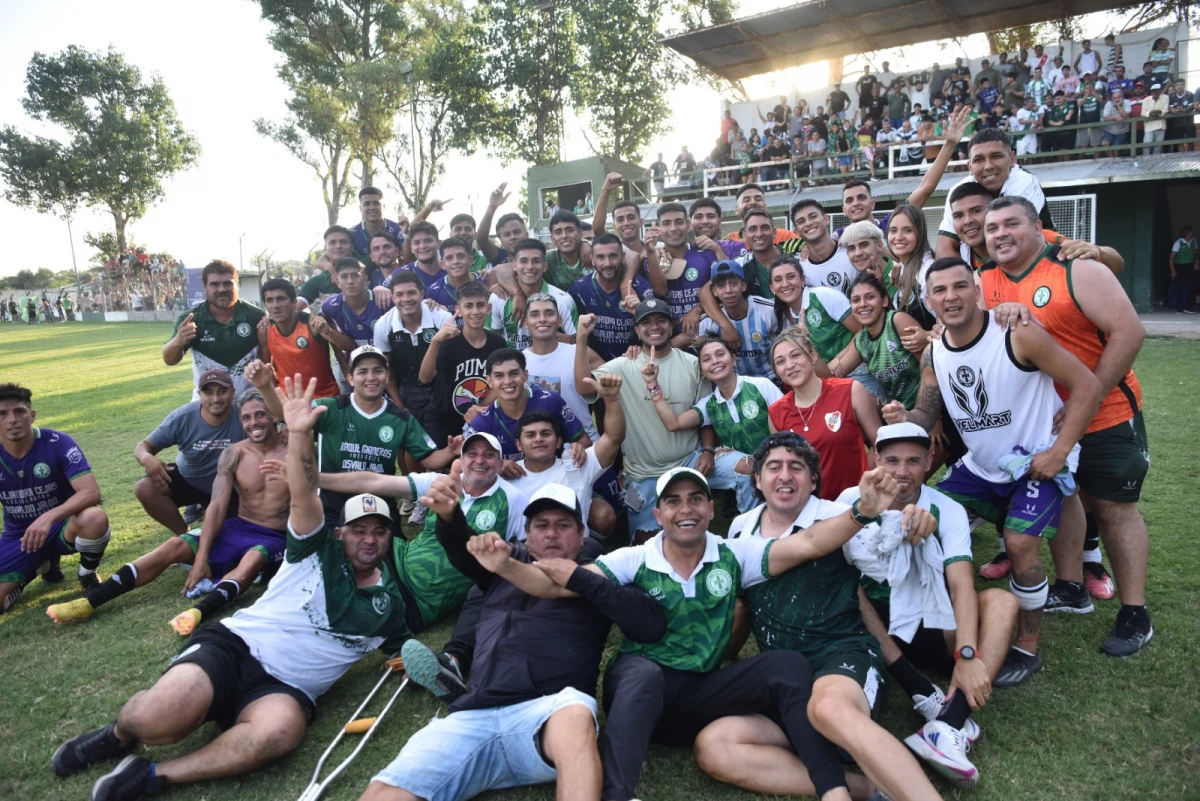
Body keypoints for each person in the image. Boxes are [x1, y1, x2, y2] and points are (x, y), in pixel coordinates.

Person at [51, 377, 413, 801]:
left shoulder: (389, 604)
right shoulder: (313, 548)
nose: (369, 539)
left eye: (379, 532)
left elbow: (406, 651)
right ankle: (118, 734)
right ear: (339, 533)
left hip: (284, 690)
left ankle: (155, 774)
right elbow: (303, 493)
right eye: (359, 531)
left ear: (390, 538)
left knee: (279, 733)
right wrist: (298, 432)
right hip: (236, 647)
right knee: (156, 721)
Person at [495, 466, 929, 801]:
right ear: (659, 512)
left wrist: (860, 512)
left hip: (704, 694)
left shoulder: (733, 554)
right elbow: (552, 585)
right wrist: (506, 566)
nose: (686, 509)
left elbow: (810, 543)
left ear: (709, 508)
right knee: (640, 672)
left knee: (788, 665)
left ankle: (833, 788)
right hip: (649, 702)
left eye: (696, 499)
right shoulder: (634, 558)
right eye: (674, 501)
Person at [360, 476, 667, 801]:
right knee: (385, 790)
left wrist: (581, 581)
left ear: (581, 535)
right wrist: (451, 517)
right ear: (527, 534)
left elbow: (650, 623)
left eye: (563, 525)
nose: (551, 533)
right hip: (474, 714)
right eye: (541, 525)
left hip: (550, 711)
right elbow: (462, 549)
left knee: (576, 714)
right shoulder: (502, 566)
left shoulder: (597, 576)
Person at [883, 256, 1103, 685]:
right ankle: (929, 611)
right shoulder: (934, 350)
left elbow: (1088, 385)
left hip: (1035, 461)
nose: (951, 297)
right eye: (940, 290)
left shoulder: (1016, 334)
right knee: (919, 513)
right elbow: (926, 416)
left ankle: (1029, 644)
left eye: (960, 286)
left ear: (978, 290)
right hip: (980, 468)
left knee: (1020, 545)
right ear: (928, 300)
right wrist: (902, 415)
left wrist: (1060, 450)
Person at [695, 434, 942, 801]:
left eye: (797, 467)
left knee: (828, 708)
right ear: (757, 481)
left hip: (842, 660)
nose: (784, 476)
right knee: (714, 744)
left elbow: (886, 554)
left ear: (813, 480)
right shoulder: (739, 529)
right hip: (784, 679)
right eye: (773, 467)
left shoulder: (835, 517)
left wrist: (909, 525)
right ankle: (865, 789)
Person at [979, 197, 1153, 656]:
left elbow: (1129, 332)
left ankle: (1135, 612)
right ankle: (1072, 587)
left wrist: (1085, 396)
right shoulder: (986, 282)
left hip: (1106, 411)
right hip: (1041, 423)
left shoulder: (1077, 267)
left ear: (1038, 227)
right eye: (991, 226)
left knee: (1112, 507)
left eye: (1011, 223)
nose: (1000, 233)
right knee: (1068, 497)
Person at [838, 424, 1019, 788]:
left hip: (931, 622)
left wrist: (967, 655)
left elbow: (962, 584)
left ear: (929, 462)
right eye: (891, 460)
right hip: (873, 629)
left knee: (1001, 600)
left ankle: (947, 723)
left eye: (913, 461)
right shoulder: (851, 500)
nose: (902, 471)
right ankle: (918, 687)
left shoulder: (947, 508)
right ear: (876, 460)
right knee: (844, 585)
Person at [47, 389, 288, 633]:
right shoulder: (234, 453)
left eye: (260, 415)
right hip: (238, 526)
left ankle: (198, 612)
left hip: (275, 536)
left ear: (274, 416)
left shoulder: (295, 449)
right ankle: (90, 602)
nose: (253, 422)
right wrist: (200, 558)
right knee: (172, 546)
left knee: (253, 558)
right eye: (246, 418)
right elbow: (216, 505)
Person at [574, 301, 753, 539]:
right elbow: (582, 386)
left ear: (671, 326)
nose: (654, 327)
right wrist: (581, 339)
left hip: (691, 460)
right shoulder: (622, 366)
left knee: (748, 468)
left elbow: (706, 415)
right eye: (646, 322)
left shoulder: (692, 364)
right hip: (644, 474)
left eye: (661, 320)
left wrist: (708, 450)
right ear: (637, 331)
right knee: (644, 545)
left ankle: (751, 536)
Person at [249, 347, 456, 528]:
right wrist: (264, 386)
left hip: (379, 503)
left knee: (388, 567)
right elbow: (288, 415)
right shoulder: (331, 408)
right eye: (362, 372)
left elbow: (429, 458)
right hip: (332, 503)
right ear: (350, 378)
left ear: (386, 376)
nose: (371, 377)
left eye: (377, 371)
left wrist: (451, 451)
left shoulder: (401, 418)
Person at [0, 384, 111, 613]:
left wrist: (48, 518)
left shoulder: (57, 442)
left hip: (64, 526)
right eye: (2, 414)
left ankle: (87, 574)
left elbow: (91, 493)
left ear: (32, 416)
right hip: (19, 536)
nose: (12, 420)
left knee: (95, 517)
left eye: (19, 412)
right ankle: (35, 568)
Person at [640, 338, 781, 511]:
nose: (715, 361)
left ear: (734, 359)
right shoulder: (709, 405)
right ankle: (750, 522)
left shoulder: (761, 386)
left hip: (779, 465)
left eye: (720, 354)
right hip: (749, 474)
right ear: (702, 371)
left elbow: (788, 426)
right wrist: (652, 384)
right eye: (707, 359)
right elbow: (673, 423)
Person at [507, 374, 626, 539]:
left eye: (546, 433)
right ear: (518, 444)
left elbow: (614, 438)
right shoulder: (508, 474)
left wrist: (611, 399)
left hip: (576, 554)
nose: (538, 439)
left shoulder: (577, 463)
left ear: (558, 442)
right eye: (530, 435)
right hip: (528, 555)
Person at [768, 329, 881, 501]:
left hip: (856, 503)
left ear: (813, 356)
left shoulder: (849, 390)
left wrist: (864, 481)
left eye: (796, 355)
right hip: (809, 509)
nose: (790, 365)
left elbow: (881, 445)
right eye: (780, 361)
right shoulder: (776, 413)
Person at [133, 369, 246, 536]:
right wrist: (147, 458)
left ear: (233, 391)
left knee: (227, 537)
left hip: (232, 488)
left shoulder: (244, 414)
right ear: (199, 394)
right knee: (145, 488)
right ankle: (185, 536)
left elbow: (274, 425)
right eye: (208, 392)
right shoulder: (182, 417)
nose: (216, 398)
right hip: (191, 480)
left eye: (222, 391)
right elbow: (143, 446)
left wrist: (283, 430)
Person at [935, 127, 1054, 258]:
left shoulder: (1023, 181)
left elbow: (1008, 242)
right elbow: (945, 248)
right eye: (979, 160)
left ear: (1012, 159)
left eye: (996, 156)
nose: (988, 166)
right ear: (970, 167)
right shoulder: (958, 191)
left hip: (1040, 259)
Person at [465, 347, 588, 470]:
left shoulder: (551, 401)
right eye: (499, 376)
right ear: (490, 381)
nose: (507, 381)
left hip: (555, 481)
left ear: (525, 375)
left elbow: (584, 440)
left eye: (514, 373)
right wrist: (498, 465)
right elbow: (466, 462)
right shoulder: (483, 421)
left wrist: (577, 449)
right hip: (510, 485)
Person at [419, 281, 508, 447]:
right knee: (439, 467)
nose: (475, 311)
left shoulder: (498, 343)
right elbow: (425, 378)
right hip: (443, 418)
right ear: (458, 311)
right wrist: (435, 341)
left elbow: (499, 385)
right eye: (468, 306)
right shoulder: (446, 342)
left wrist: (480, 409)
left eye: (480, 305)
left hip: (480, 416)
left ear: (489, 309)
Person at [164, 260, 266, 398]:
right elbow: (169, 360)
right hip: (208, 403)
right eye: (214, 284)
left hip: (248, 402)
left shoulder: (256, 316)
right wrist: (178, 341)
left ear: (237, 285)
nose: (222, 289)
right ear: (205, 287)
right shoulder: (192, 318)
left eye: (227, 283)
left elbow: (268, 363)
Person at [826, 273, 924, 413]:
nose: (863, 304)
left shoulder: (897, 321)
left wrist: (931, 415)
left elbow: (930, 369)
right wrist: (807, 346)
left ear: (884, 301)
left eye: (870, 297)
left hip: (928, 410)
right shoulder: (862, 340)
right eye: (856, 300)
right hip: (901, 415)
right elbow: (831, 377)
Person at [374, 270, 453, 429]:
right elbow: (385, 369)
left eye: (411, 293)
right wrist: (399, 406)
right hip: (406, 390)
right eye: (400, 294)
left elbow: (451, 365)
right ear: (393, 298)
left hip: (441, 389)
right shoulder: (383, 325)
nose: (406, 299)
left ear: (422, 294)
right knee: (408, 444)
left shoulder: (442, 318)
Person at [569, 233, 656, 362]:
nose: (607, 263)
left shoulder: (641, 287)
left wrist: (641, 312)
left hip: (634, 361)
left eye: (613, 256)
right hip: (596, 366)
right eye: (600, 257)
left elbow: (656, 328)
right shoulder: (579, 290)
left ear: (623, 256)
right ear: (592, 259)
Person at [694, 261, 779, 380]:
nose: (728, 290)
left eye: (733, 283)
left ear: (743, 285)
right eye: (721, 286)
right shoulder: (709, 321)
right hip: (735, 384)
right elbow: (686, 341)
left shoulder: (768, 311)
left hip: (771, 378)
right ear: (714, 291)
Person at [488, 239, 577, 351]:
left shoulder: (563, 300)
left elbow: (577, 342)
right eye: (524, 261)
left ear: (544, 266)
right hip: (511, 364)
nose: (530, 266)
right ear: (514, 265)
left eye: (536, 261)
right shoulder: (499, 297)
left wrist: (555, 336)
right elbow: (489, 339)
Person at [257, 278, 339, 399]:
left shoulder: (313, 324)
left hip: (325, 399)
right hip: (289, 403)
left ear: (294, 302)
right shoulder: (264, 330)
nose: (275, 305)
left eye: (281, 299)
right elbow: (267, 369)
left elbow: (343, 354)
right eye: (270, 300)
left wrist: (330, 331)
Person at [320, 256, 387, 387]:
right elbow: (334, 341)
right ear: (337, 281)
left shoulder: (383, 300)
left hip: (387, 366)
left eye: (355, 276)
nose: (350, 281)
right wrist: (346, 369)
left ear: (365, 279)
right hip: (357, 369)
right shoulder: (330, 307)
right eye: (344, 277)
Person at [792, 200, 858, 294]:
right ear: (796, 232)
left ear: (826, 219)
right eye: (801, 221)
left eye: (813, 216)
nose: (808, 223)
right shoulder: (800, 270)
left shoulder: (851, 251)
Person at [348, 186, 405, 269]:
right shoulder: (351, 234)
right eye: (367, 204)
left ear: (384, 206)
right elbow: (326, 257)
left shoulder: (398, 229)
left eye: (376, 203)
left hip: (395, 278)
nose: (372, 208)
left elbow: (408, 259)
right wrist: (329, 266)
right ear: (360, 208)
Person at [544, 211, 588, 290]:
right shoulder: (547, 259)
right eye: (558, 232)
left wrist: (586, 243)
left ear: (580, 233)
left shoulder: (594, 254)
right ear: (552, 238)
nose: (564, 236)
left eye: (570, 230)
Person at [1170, 225, 1197, 313]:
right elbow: (1171, 258)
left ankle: (1188, 306)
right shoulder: (1178, 243)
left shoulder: (1194, 242)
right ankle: (1179, 306)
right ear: (1187, 234)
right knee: (1179, 287)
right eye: (1190, 233)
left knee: (1190, 286)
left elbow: (1195, 253)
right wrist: (1173, 270)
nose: (1192, 234)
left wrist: (1197, 262)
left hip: (1190, 266)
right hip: (1180, 266)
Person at [1141, 83, 1168, 153]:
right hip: (1149, 125)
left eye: (1157, 91)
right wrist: (1150, 113)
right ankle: (1146, 160)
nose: (1155, 92)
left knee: (1158, 146)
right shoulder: (1146, 100)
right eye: (1153, 91)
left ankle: (1157, 162)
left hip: (1160, 125)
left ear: (1160, 91)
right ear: (1151, 92)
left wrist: (1159, 112)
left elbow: (1165, 110)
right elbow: (1143, 113)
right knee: (1146, 145)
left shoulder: (1165, 97)